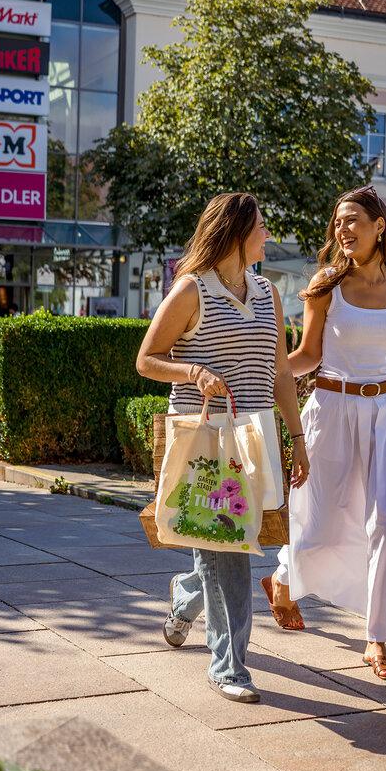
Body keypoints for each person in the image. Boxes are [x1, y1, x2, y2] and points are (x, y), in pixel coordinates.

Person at [267, 186, 386, 681]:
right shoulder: (327, 284)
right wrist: (268, 373)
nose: (342, 229)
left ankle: (377, 639)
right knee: (321, 522)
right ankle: (283, 579)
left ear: (378, 226)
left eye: (351, 220)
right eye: (338, 222)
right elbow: (308, 355)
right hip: (331, 410)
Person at [135, 193, 309, 702]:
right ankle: (228, 666)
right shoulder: (192, 289)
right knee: (230, 548)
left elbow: (281, 373)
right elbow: (147, 359)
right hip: (205, 439)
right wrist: (194, 371)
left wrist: (297, 438)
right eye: (260, 227)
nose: (267, 235)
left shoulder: (267, 292)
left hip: (254, 437)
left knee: (226, 539)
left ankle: (186, 596)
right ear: (235, 233)